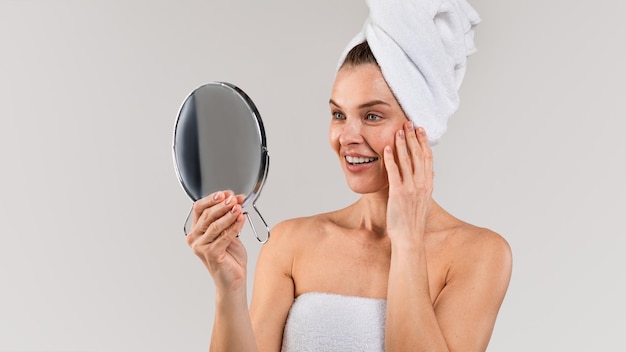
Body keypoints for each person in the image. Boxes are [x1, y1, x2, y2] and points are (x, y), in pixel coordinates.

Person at [186, 1, 512, 351]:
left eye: (372, 116)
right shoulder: (291, 243)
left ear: (421, 127)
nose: (347, 137)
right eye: (339, 115)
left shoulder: (479, 255)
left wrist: (407, 241)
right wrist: (229, 289)